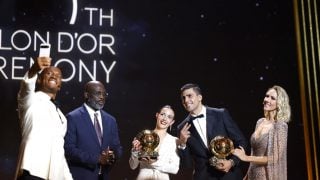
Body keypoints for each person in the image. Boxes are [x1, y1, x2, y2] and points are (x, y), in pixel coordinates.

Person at [15, 57, 73, 179]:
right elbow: (26, 86)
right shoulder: (30, 100)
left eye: (58, 75)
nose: (54, 76)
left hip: (53, 175)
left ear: (60, 85)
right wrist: (34, 69)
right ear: (39, 80)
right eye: (49, 73)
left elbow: (59, 151)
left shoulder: (62, 117)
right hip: (32, 171)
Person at [177, 83, 247, 180]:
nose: (186, 100)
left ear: (199, 97)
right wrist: (182, 144)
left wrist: (231, 162)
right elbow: (187, 164)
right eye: (183, 98)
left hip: (229, 175)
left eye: (189, 96)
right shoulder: (182, 128)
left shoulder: (221, 114)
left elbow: (241, 142)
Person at [64, 81, 122, 180]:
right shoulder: (73, 117)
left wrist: (113, 155)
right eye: (98, 93)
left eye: (104, 94)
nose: (102, 97)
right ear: (87, 95)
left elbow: (117, 147)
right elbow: (69, 149)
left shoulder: (110, 120)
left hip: (104, 176)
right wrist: (98, 159)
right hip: (81, 176)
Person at [232, 85, 291, 180]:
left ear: (280, 103)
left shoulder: (280, 126)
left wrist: (246, 157)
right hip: (252, 175)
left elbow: (274, 158)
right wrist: (247, 175)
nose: (267, 100)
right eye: (267, 96)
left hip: (267, 176)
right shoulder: (260, 122)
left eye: (272, 98)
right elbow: (254, 152)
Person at [129, 105, 180, 180]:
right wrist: (135, 151)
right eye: (162, 114)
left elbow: (175, 169)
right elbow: (133, 166)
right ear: (157, 115)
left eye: (169, 117)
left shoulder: (174, 140)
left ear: (172, 122)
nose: (164, 119)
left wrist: (154, 163)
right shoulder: (144, 136)